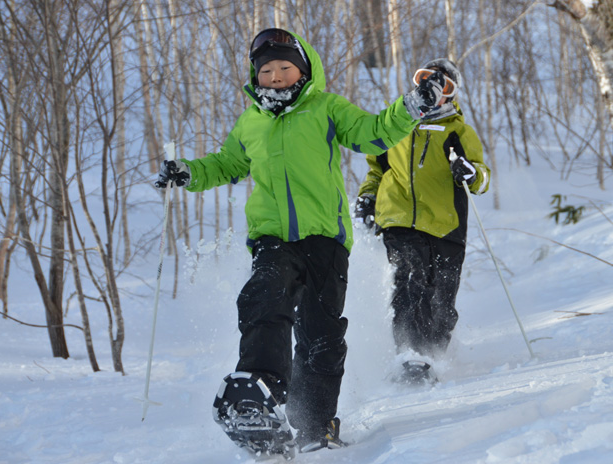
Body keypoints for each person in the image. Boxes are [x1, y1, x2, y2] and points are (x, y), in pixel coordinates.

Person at [155, 29, 447, 452]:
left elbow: (372, 132)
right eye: (266, 70)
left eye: (284, 67)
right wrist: (189, 172)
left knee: (321, 336)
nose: (275, 76)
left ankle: (314, 424)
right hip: (273, 238)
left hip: (326, 240)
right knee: (264, 298)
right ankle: (257, 392)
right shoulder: (250, 121)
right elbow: (227, 164)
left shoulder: (326, 108)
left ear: (303, 70)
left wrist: (410, 107)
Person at [355, 58, 490, 376]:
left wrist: (470, 173)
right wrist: (368, 196)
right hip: (399, 216)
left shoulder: (458, 131)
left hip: (446, 223)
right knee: (410, 278)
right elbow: (377, 166)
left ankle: (433, 353)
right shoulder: (396, 122)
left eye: (443, 84)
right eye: (426, 79)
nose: (432, 89)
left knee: (442, 293)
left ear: (451, 94)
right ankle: (410, 351)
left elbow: (482, 178)